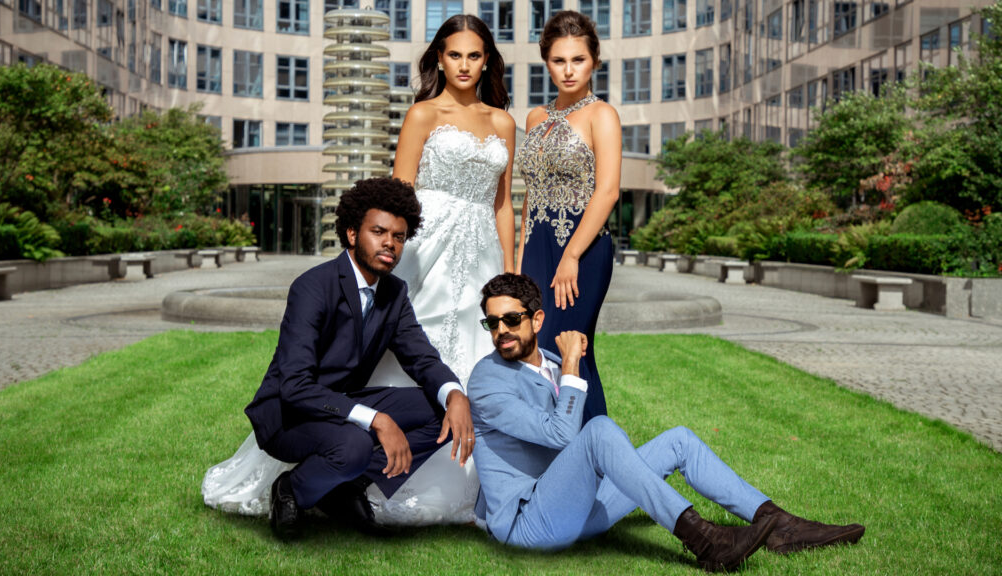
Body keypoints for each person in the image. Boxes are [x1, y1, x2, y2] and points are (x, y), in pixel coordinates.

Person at [202, 14, 513, 527]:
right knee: (401, 348)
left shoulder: (503, 122)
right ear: (439, 57)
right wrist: (397, 247)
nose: (463, 65)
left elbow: (502, 205)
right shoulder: (420, 115)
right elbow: (398, 198)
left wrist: (508, 269)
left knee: (459, 369)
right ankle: (330, 472)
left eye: (474, 55)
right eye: (454, 54)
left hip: (480, 250)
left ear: (486, 61)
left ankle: (404, 481)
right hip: (426, 246)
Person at [468, 273, 866, 572]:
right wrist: (573, 364)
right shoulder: (487, 379)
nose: (501, 330)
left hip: (576, 510)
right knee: (600, 430)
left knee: (679, 440)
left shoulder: (551, 365)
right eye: (493, 323)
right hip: (527, 524)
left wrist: (565, 366)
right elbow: (562, 434)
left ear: (537, 320)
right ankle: (707, 543)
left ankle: (780, 525)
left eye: (511, 319)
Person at [240, 177, 474, 540]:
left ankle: (345, 486)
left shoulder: (394, 293)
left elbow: (422, 357)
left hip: (343, 403)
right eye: (378, 232)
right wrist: (377, 419)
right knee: (355, 445)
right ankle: (292, 490)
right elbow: (295, 386)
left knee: (445, 412)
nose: (389, 244)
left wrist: (455, 394)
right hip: (289, 412)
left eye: (398, 237)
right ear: (352, 234)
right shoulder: (313, 286)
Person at [516, 11, 618, 423]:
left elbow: (608, 191)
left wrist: (572, 256)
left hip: (582, 249)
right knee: (537, 352)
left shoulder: (602, 115)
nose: (568, 70)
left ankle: (599, 455)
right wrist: (521, 259)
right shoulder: (534, 119)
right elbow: (529, 194)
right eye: (559, 61)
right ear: (547, 63)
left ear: (594, 60)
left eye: (578, 59)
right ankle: (566, 459)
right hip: (538, 248)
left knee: (569, 348)